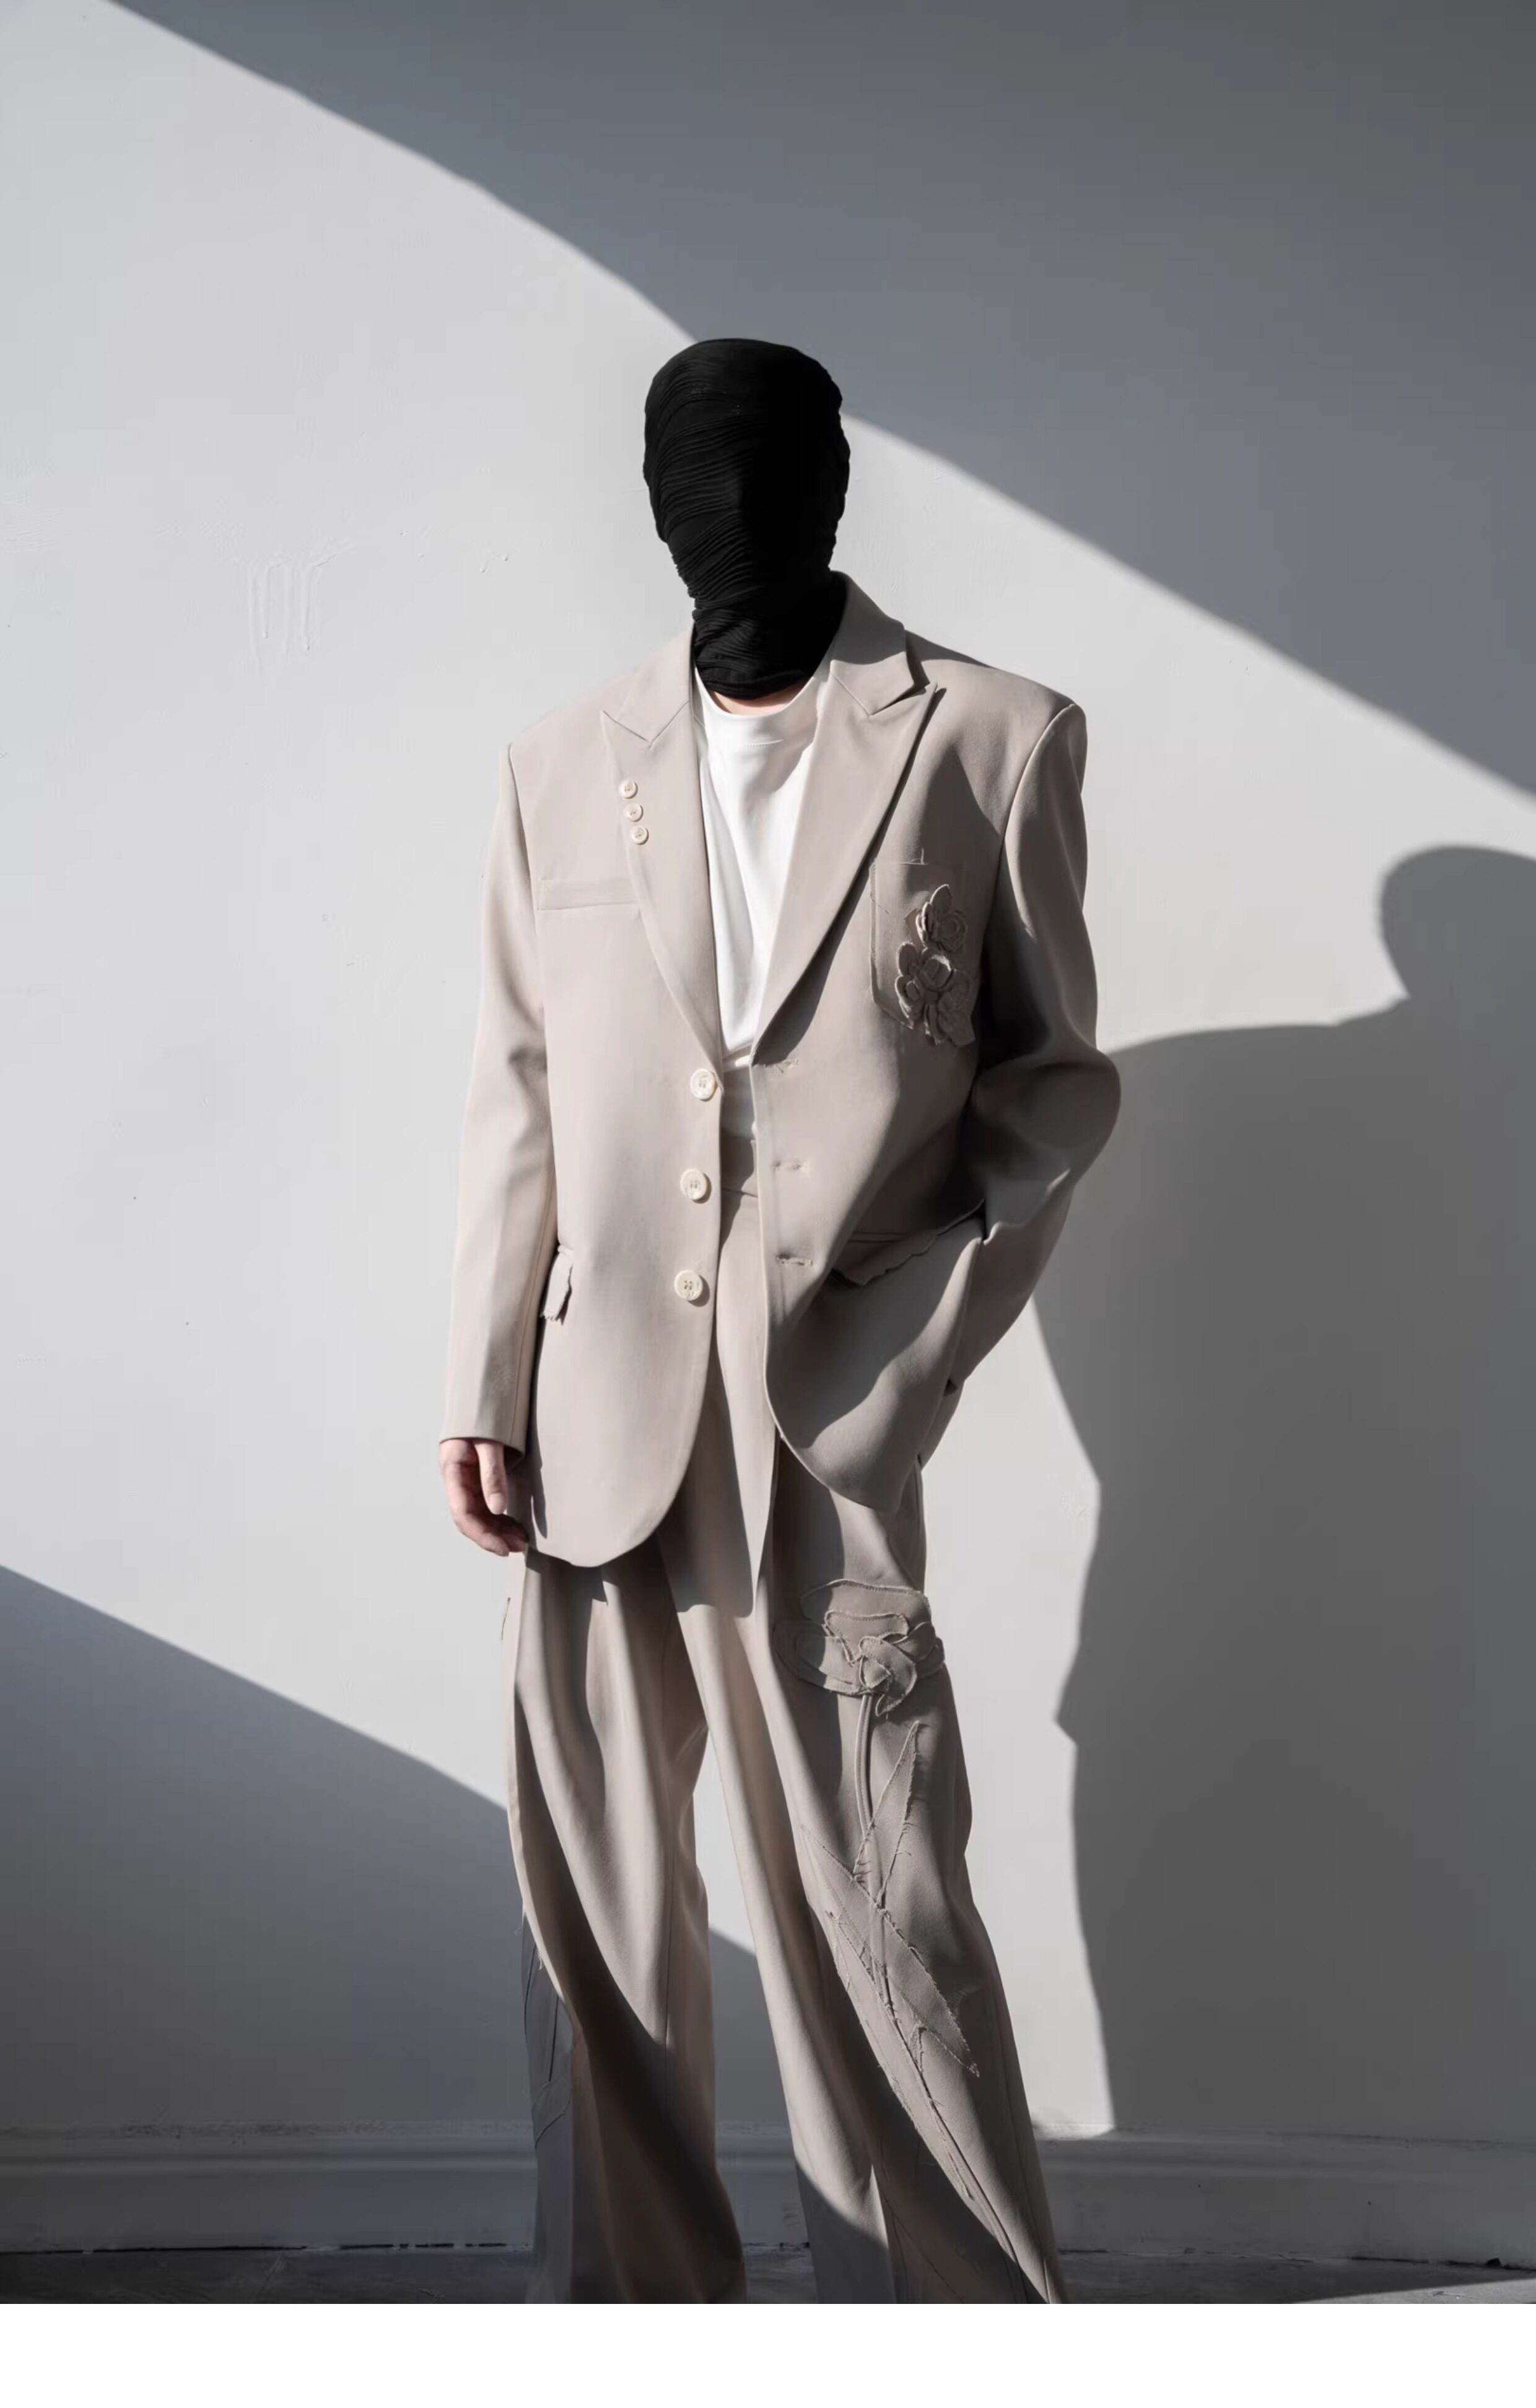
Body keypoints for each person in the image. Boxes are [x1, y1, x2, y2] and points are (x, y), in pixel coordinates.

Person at [438, 338, 1121, 2302]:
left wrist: (923, 1338)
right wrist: (484, 1375)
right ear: (654, 505)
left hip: (828, 1401)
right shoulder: (560, 763)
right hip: (595, 1411)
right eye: (691, 475)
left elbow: (1054, 1090)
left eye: (766, 467)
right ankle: (640, 2323)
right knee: (596, 1924)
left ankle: (958, 2325)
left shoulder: (992, 738)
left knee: (878, 1895)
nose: (728, 508)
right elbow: (517, 1084)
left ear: (833, 483)